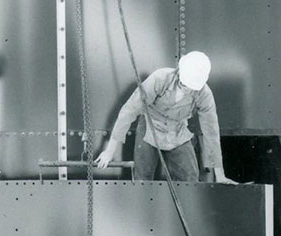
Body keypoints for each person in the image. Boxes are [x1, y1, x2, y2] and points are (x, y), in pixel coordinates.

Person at [95, 51, 235, 183]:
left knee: (190, 178)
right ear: (180, 71)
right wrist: (109, 150)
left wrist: (220, 175)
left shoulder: (204, 94)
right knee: (143, 177)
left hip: (178, 131)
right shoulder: (159, 78)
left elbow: (211, 131)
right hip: (150, 127)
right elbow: (129, 111)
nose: (186, 88)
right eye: (184, 84)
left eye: (191, 86)